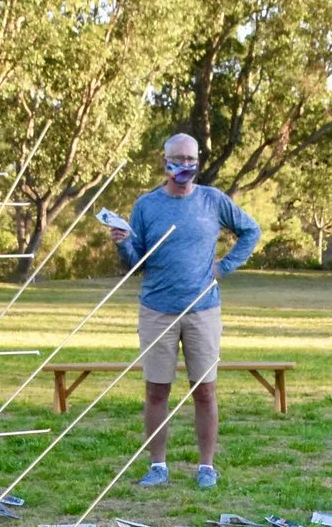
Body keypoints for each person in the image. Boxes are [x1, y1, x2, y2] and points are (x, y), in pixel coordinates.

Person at [109, 133, 260, 490]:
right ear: (165, 161)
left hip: (203, 311)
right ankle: (158, 466)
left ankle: (206, 467)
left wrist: (224, 267)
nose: (186, 166)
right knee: (156, 391)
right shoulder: (146, 206)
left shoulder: (213, 200)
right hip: (156, 310)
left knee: (205, 390)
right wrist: (123, 243)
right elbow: (137, 263)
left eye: (191, 159)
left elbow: (251, 231)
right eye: (179, 158)